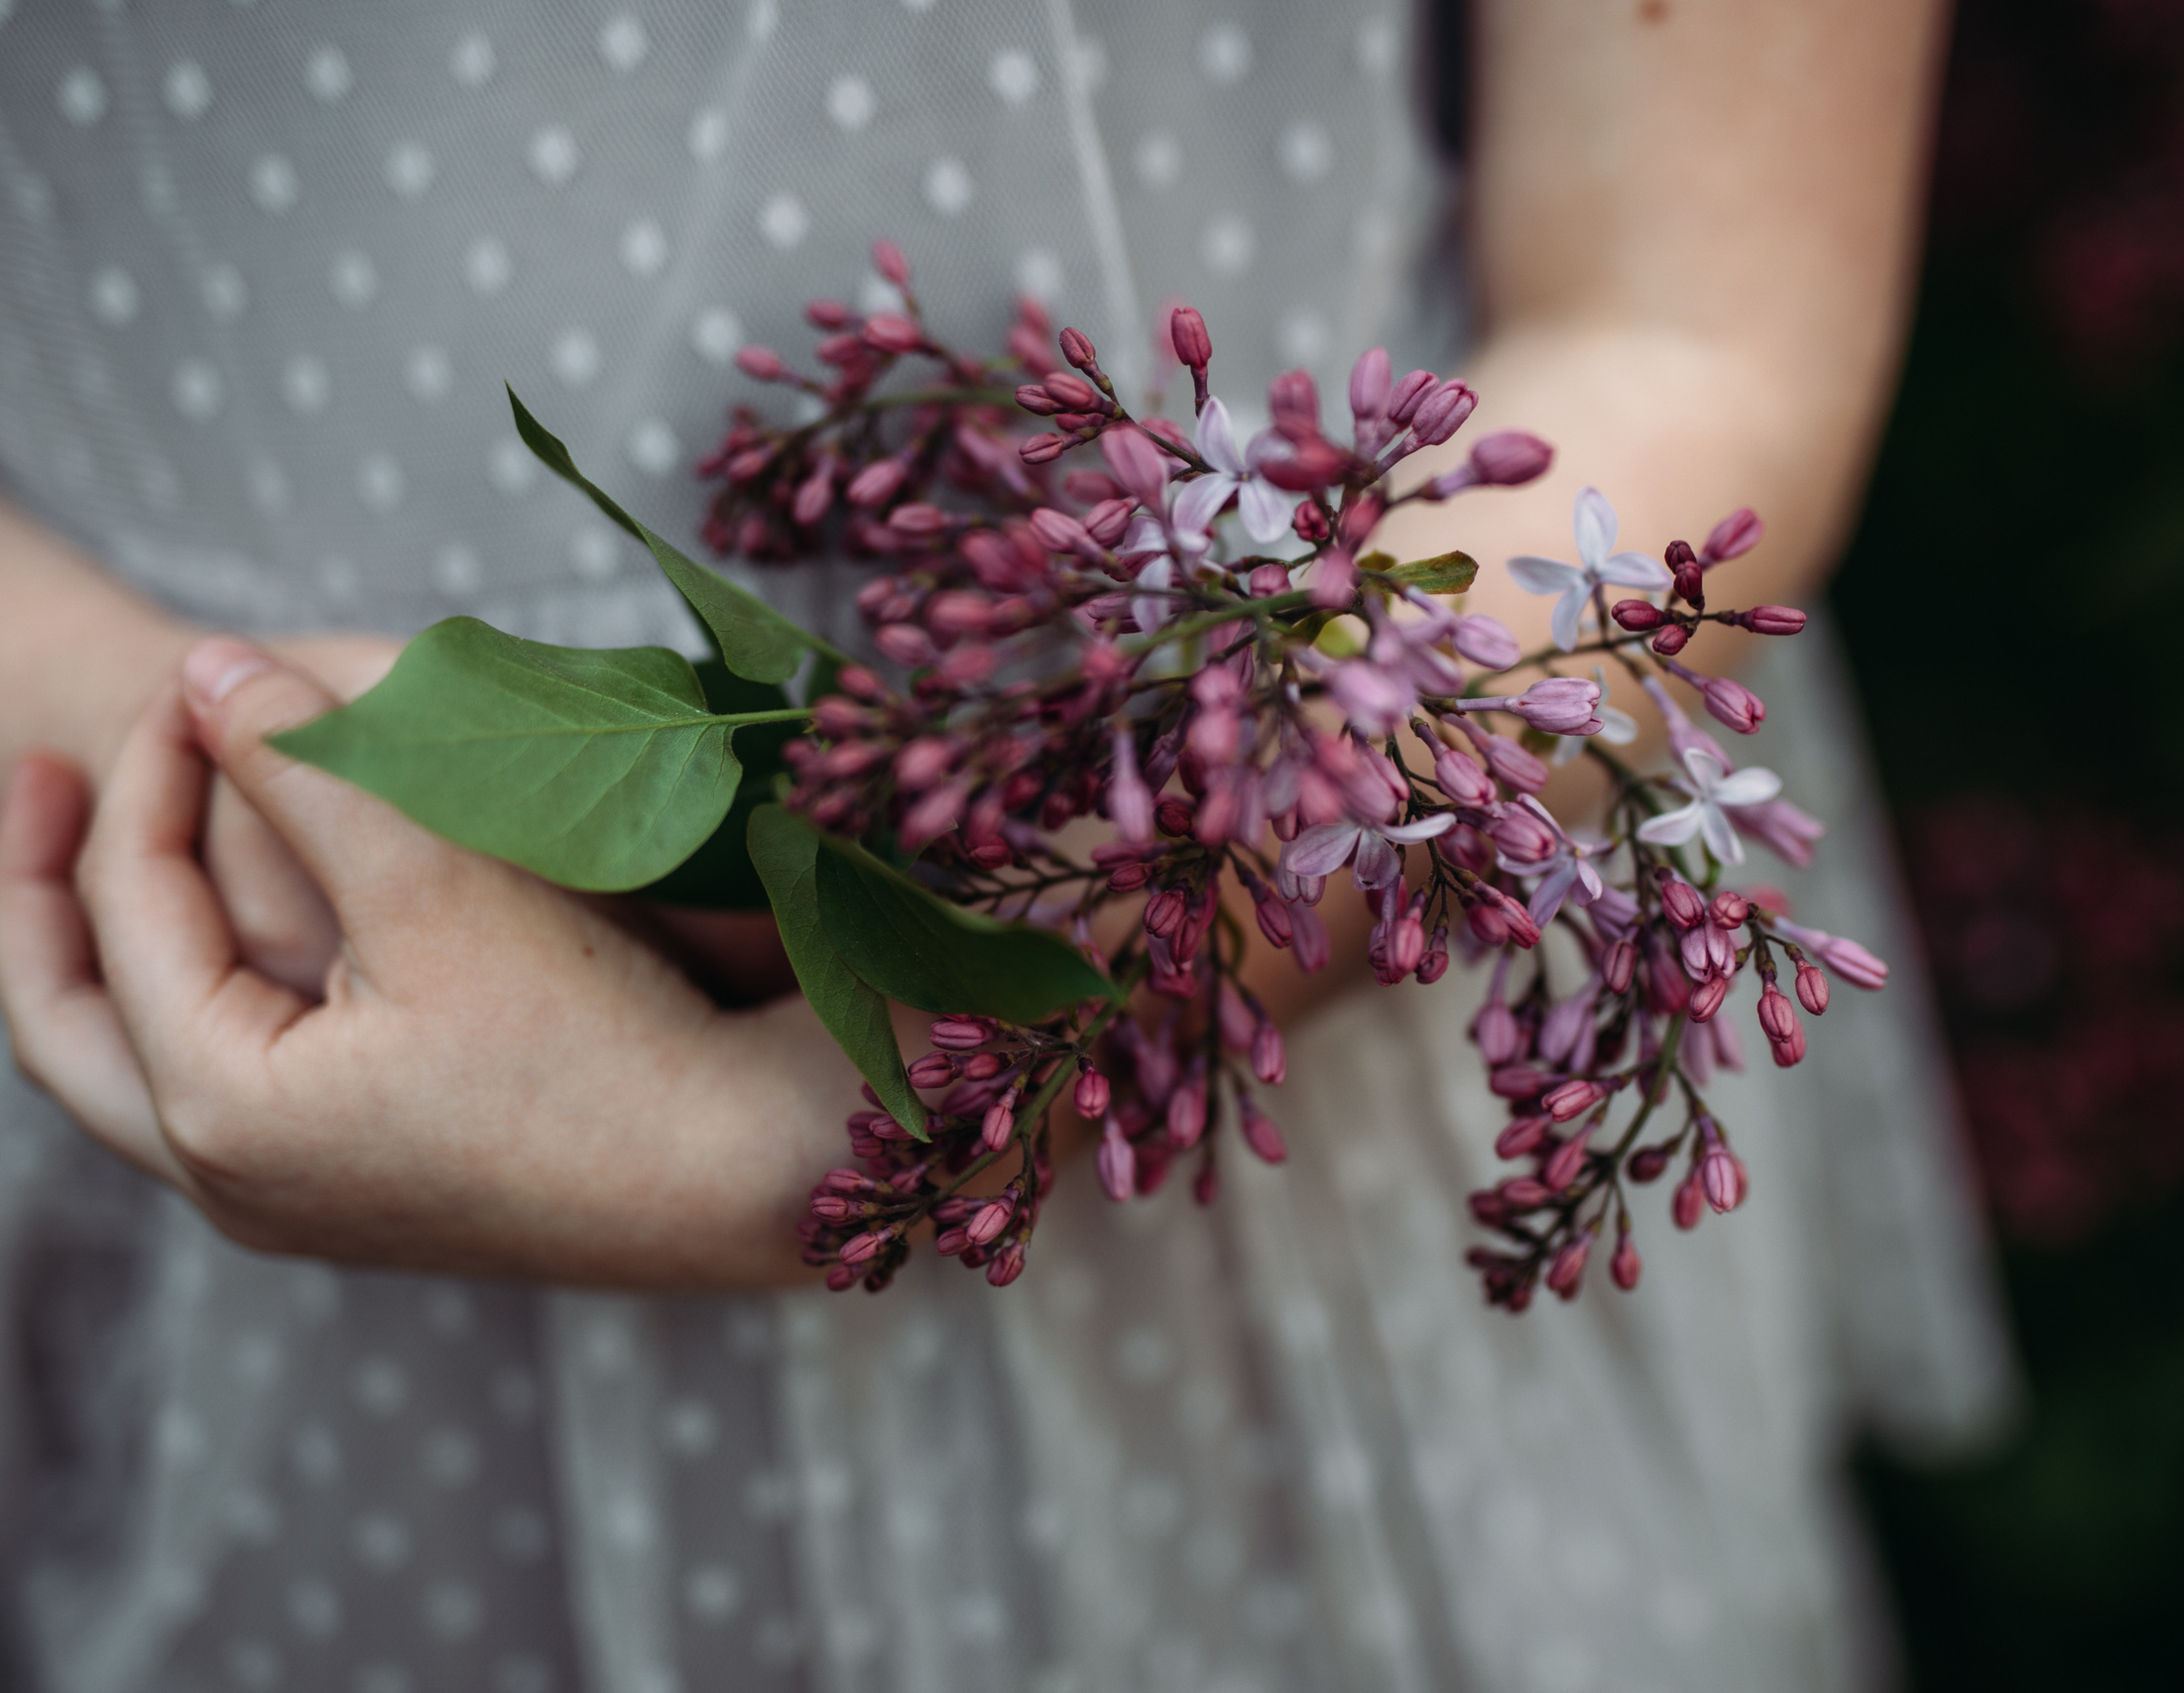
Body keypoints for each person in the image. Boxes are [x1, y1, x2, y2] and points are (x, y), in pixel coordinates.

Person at [0, 2, 2012, 1688]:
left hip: (1266, 1076)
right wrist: (217, 802)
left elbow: (1689, 325)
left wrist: (831, 1109)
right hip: (203, 1076)